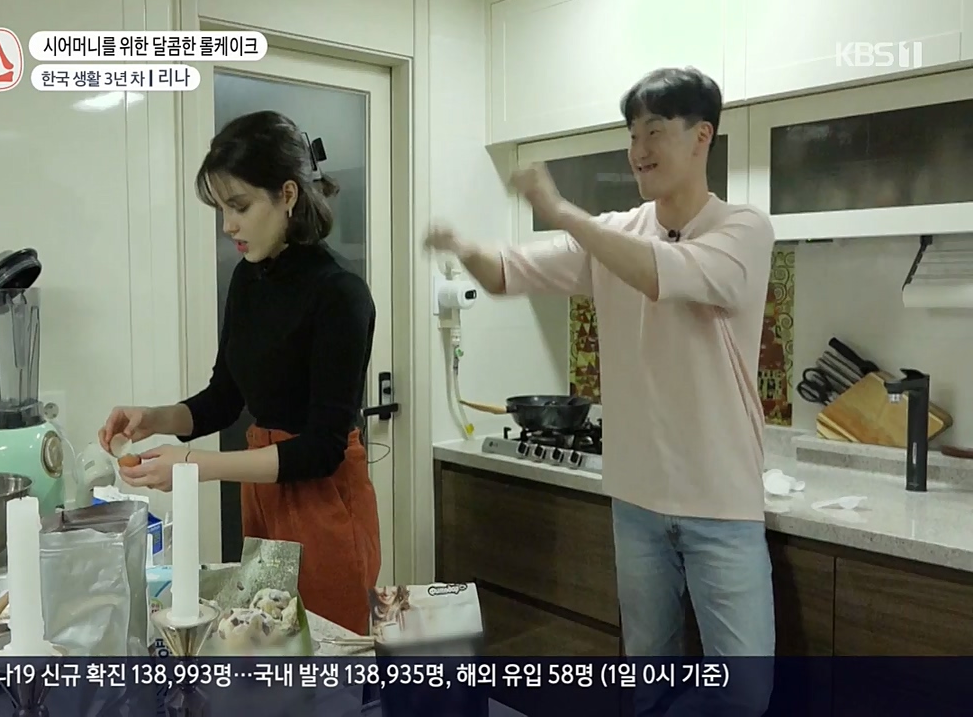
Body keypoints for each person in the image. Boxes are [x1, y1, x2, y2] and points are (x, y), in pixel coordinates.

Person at [425, 68, 776, 714]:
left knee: (744, 693)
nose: (638, 148)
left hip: (721, 502)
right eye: (632, 133)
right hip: (635, 499)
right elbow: (506, 273)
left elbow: (661, 273)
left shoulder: (743, 230)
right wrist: (461, 247)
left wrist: (561, 210)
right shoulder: (616, 232)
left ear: (702, 136)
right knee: (648, 681)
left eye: (654, 131)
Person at [99, 110, 382, 635]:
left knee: (324, 653)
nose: (228, 225)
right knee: (267, 645)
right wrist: (153, 418)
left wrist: (193, 465)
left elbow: (322, 449)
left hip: (323, 501)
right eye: (221, 209)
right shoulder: (249, 281)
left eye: (240, 206)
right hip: (264, 493)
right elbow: (224, 399)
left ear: (288, 195)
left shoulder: (340, 293)